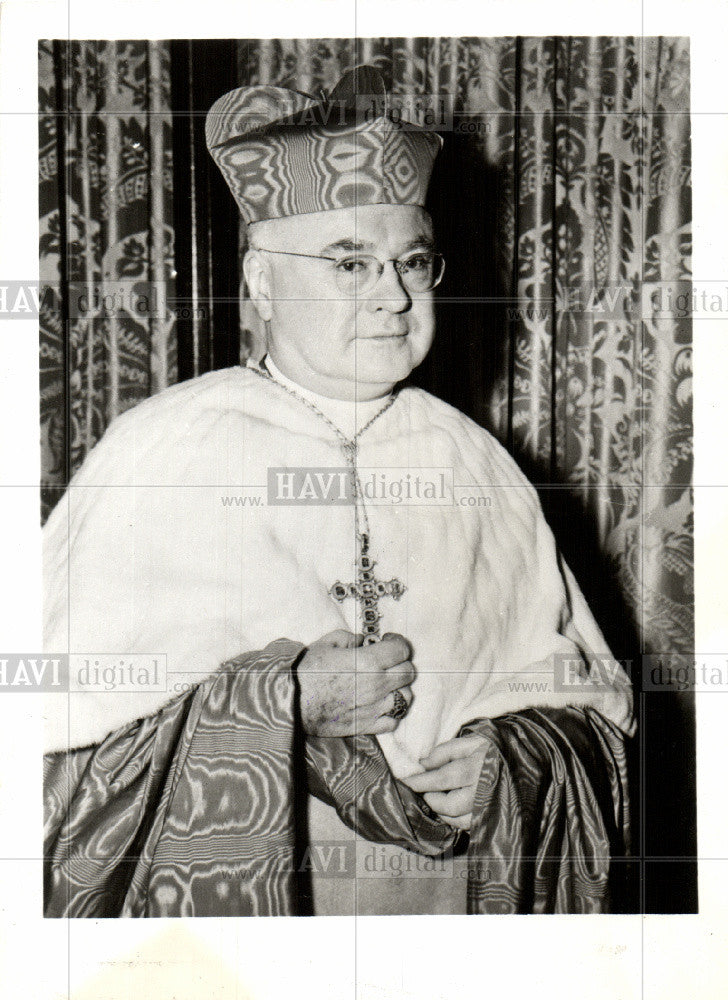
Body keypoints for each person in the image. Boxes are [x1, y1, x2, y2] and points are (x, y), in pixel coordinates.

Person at [43, 66, 634, 917]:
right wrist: (278, 703)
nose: (393, 296)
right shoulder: (165, 448)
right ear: (260, 284)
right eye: (350, 262)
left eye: (413, 262)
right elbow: (59, 758)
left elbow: (593, 714)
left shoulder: (476, 461)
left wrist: (512, 757)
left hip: (446, 904)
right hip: (257, 904)